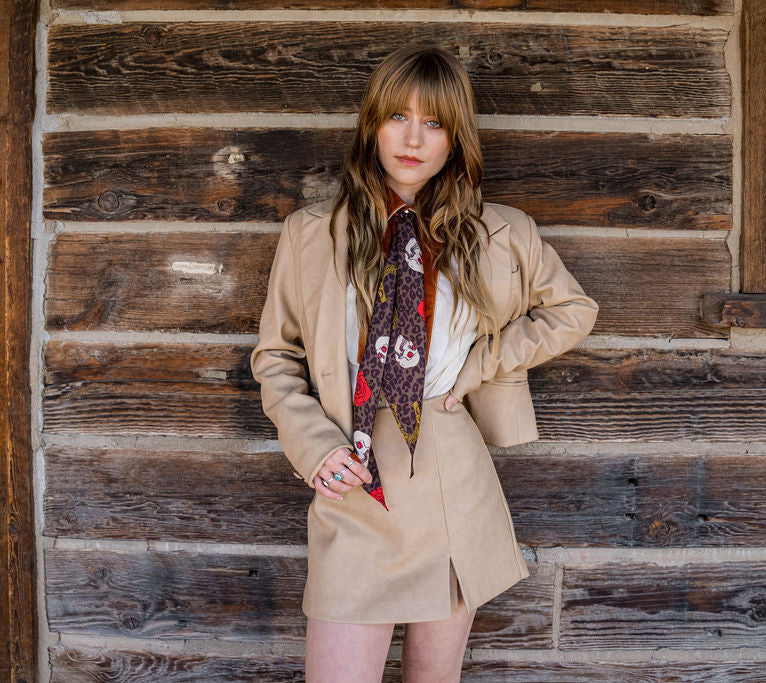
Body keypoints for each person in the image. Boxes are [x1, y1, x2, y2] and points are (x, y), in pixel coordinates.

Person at [250, 44, 599, 683]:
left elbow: (573, 310)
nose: (413, 139)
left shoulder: (501, 232)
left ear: (456, 137)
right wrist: (313, 447)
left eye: (434, 123)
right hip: (354, 476)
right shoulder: (310, 233)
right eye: (397, 117)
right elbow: (276, 356)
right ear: (372, 125)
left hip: (450, 477)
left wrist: (482, 364)